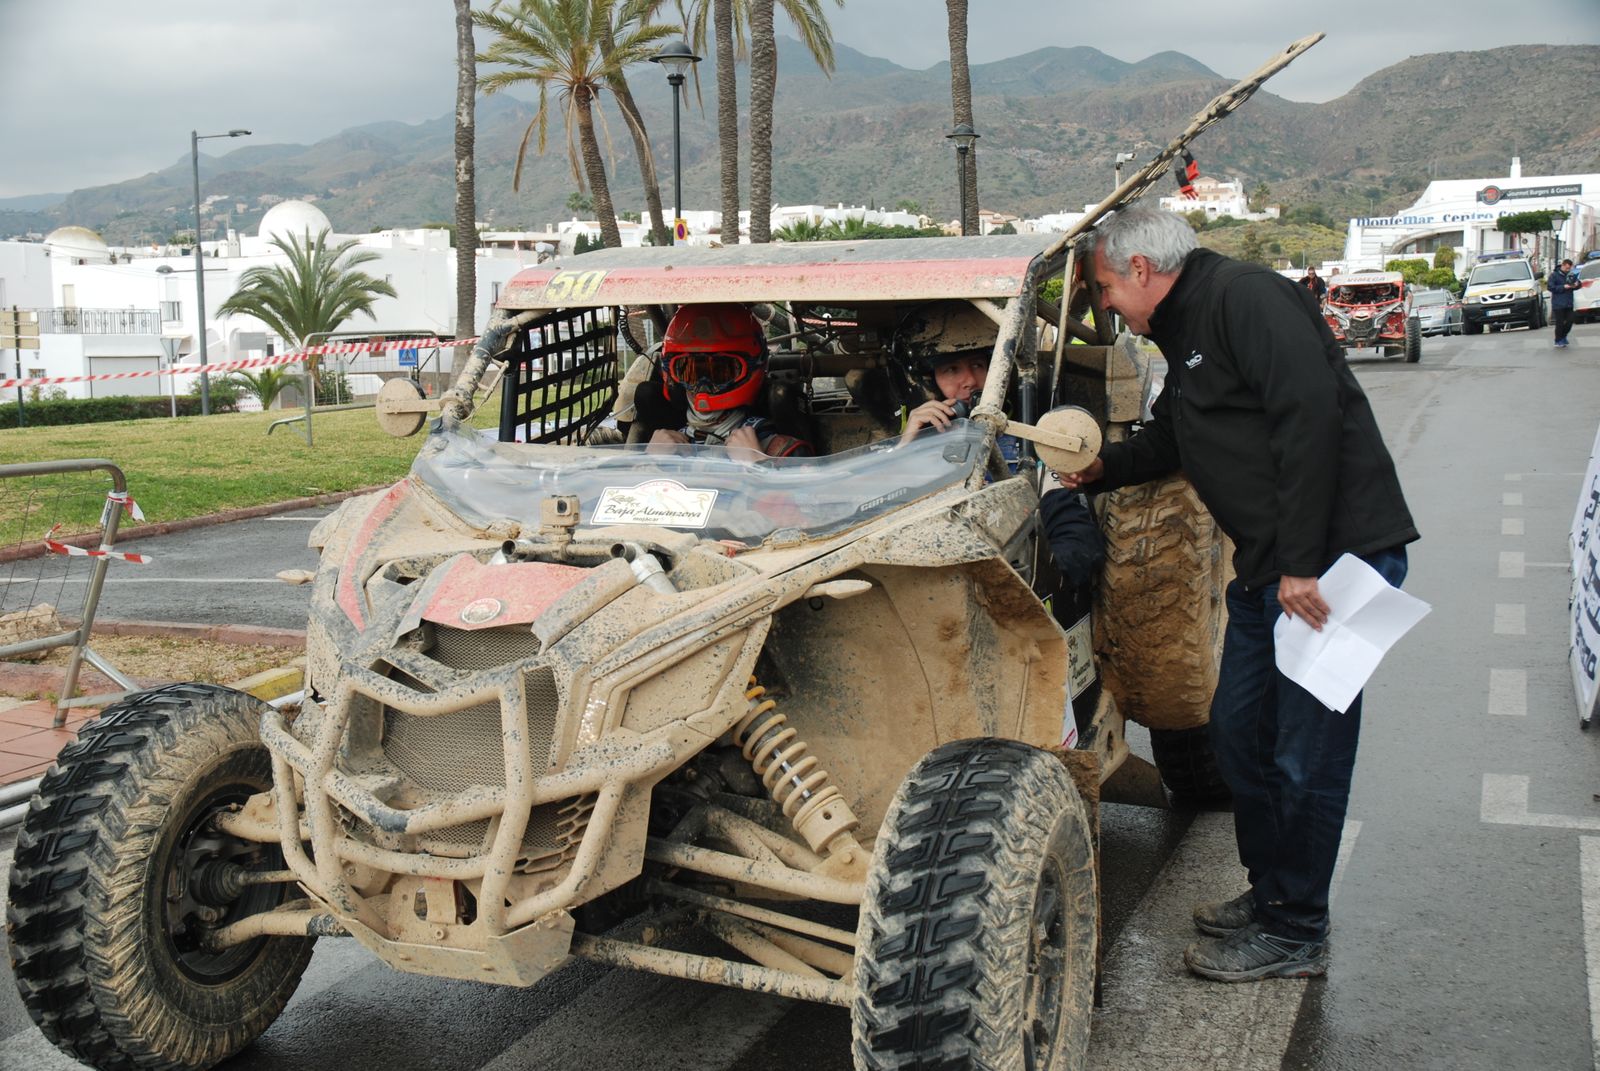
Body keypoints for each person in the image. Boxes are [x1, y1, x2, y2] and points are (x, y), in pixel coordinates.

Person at [1058, 204, 1418, 983]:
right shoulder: (1183, 327)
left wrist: (1299, 561)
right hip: (1272, 567)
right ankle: (1272, 894)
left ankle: (1297, 929)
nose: (1106, 304)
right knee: (1240, 738)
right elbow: (1176, 436)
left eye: (1105, 287)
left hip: (1331, 565)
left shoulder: (1245, 297)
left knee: (1305, 754)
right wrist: (1099, 469)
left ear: (1141, 270)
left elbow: (1311, 416)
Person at [896, 301, 1103, 599]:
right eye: (951, 369)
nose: (968, 381)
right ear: (930, 381)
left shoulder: (1031, 445)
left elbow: (1075, 541)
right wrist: (906, 449)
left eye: (978, 366)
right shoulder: (916, 446)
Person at [647, 303, 813, 458]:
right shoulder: (666, 444)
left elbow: (806, 489)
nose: (703, 386)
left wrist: (756, 464)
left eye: (719, 372)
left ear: (751, 369)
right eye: (690, 372)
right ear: (671, 374)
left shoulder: (779, 448)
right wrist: (648, 460)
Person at [1549, 258, 1580, 348]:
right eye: (1566, 268)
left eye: (1569, 268)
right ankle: (1558, 340)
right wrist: (1563, 287)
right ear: (1562, 265)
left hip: (1569, 302)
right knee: (1560, 323)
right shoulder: (1554, 275)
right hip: (1558, 304)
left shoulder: (1571, 275)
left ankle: (1563, 336)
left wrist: (1577, 285)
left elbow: (1578, 284)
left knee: (1570, 320)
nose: (1568, 270)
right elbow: (1551, 287)